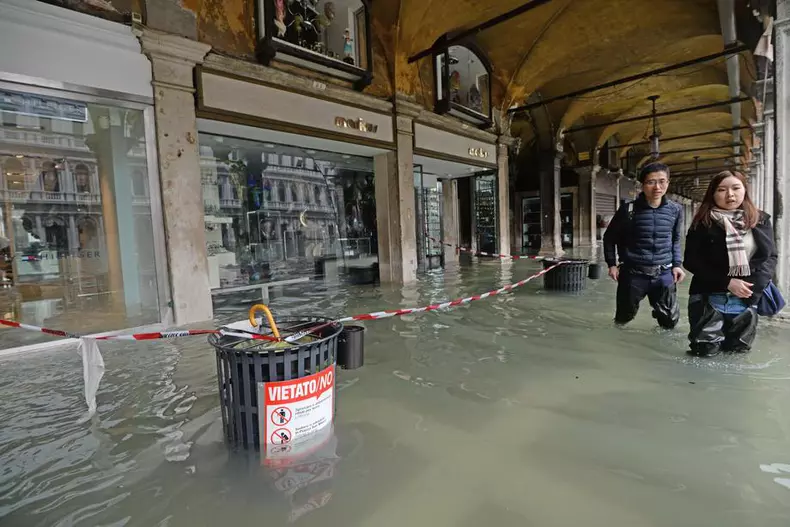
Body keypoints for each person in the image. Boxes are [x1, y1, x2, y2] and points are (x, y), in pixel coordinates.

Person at [683, 170, 777, 357]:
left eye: (736, 188)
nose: (730, 195)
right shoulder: (703, 222)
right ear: (713, 193)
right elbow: (692, 261)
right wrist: (727, 282)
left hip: (746, 300)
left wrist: (752, 290)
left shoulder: (760, 219)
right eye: (722, 189)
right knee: (704, 354)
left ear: (745, 190)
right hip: (708, 298)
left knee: (737, 354)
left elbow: (771, 257)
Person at [603, 162, 686, 328]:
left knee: (669, 321)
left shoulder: (675, 210)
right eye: (651, 182)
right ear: (642, 185)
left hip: (664, 273)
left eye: (662, 181)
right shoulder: (628, 210)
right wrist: (612, 264)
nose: (657, 187)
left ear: (668, 183)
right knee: (623, 318)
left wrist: (677, 265)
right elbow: (609, 238)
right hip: (633, 274)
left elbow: (675, 239)